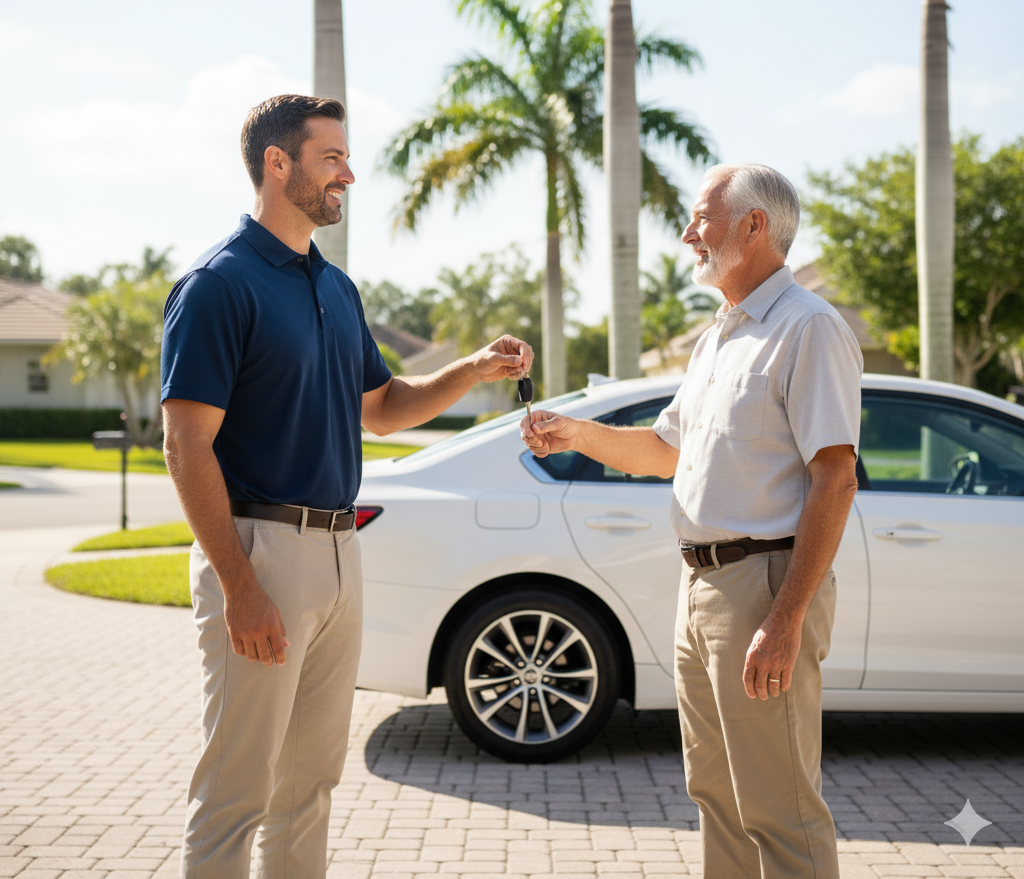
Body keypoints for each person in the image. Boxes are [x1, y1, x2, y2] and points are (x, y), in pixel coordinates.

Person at [162, 93, 534, 879]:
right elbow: (186, 444)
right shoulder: (218, 285)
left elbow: (385, 410)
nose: (349, 174)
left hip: (339, 553)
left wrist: (473, 368)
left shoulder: (335, 288)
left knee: (310, 788)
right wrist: (239, 584)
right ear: (278, 163)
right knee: (237, 791)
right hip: (260, 554)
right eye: (332, 158)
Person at [523, 163, 861, 879]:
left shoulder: (809, 329)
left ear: (754, 226)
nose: (687, 235)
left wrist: (785, 616)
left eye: (700, 218)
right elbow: (664, 450)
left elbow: (835, 478)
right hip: (702, 591)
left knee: (780, 808)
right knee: (717, 796)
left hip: (764, 590)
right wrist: (576, 433)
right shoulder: (718, 339)